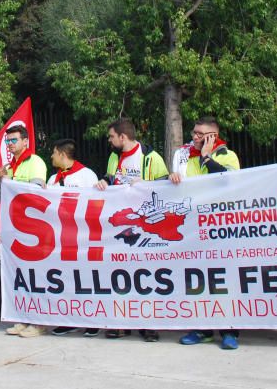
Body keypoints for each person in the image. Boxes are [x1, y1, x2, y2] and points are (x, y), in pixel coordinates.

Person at [95, 118, 168, 341]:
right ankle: (119, 323)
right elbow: (111, 177)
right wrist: (104, 182)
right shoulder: (114, 157)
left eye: (111, 136)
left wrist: (145, 185)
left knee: (146, 275)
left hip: (145, 225)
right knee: (119, 274)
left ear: (122, 137)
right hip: (120, 223)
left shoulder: (151, 156)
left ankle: (149, 325)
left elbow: (164, 185)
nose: (110, 140)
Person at [172, 116, 242, 349]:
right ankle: (203, 328)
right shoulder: (190, 160)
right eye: (194, 133)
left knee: (225, 281)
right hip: (195, 229)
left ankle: (229, 330)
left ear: (213, 136)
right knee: (198, 280)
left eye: (200, 135)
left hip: (221, 229)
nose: (194, 137)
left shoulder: (227, 156)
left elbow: (228, 182)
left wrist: (206, 156)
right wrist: (173, 179)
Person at [47, 139, 101, 338]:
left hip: (84, 238)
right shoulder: (53, 179)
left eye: (54, 152)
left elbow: (96, 203)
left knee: (87, 279)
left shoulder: (87, 175)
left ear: (62, 154)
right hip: (62, 240)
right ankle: (69, 319)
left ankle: (91, 320)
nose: (51, 156)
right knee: (67, 280)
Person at [1, 125, 48, 338]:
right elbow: (4, 198)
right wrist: (3, 180)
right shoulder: (9, 166)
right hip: (15, 227)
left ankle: (38, 322)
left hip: (35, 228)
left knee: (36, 277)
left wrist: (8, 181)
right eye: (8, 141)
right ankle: (23, 317)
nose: (10, 144)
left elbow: (34, 193)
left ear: (25, 141)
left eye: (14, 140)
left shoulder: (35, 162)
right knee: (21, 277)